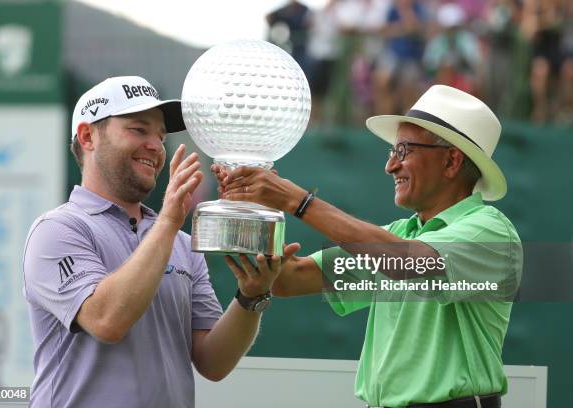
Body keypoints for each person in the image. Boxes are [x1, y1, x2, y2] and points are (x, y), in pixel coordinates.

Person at [215, 85, 521, 407]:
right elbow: (290, 278)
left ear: (451, 161)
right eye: (391, 152)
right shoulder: (401, 236)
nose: (390, 166)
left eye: (403, 151)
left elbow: (409, 265)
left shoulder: (491, 230)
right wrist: (249, 206)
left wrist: (294, 200)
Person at [22, 76, 288, 408]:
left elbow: (213, 362)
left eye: (161, 136)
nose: (155, 145)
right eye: (138, 129)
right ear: (88, 136)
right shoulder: (58, 230)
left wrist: (251, 296)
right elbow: (107, 321)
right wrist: (169, 220)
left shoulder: (179, 241)